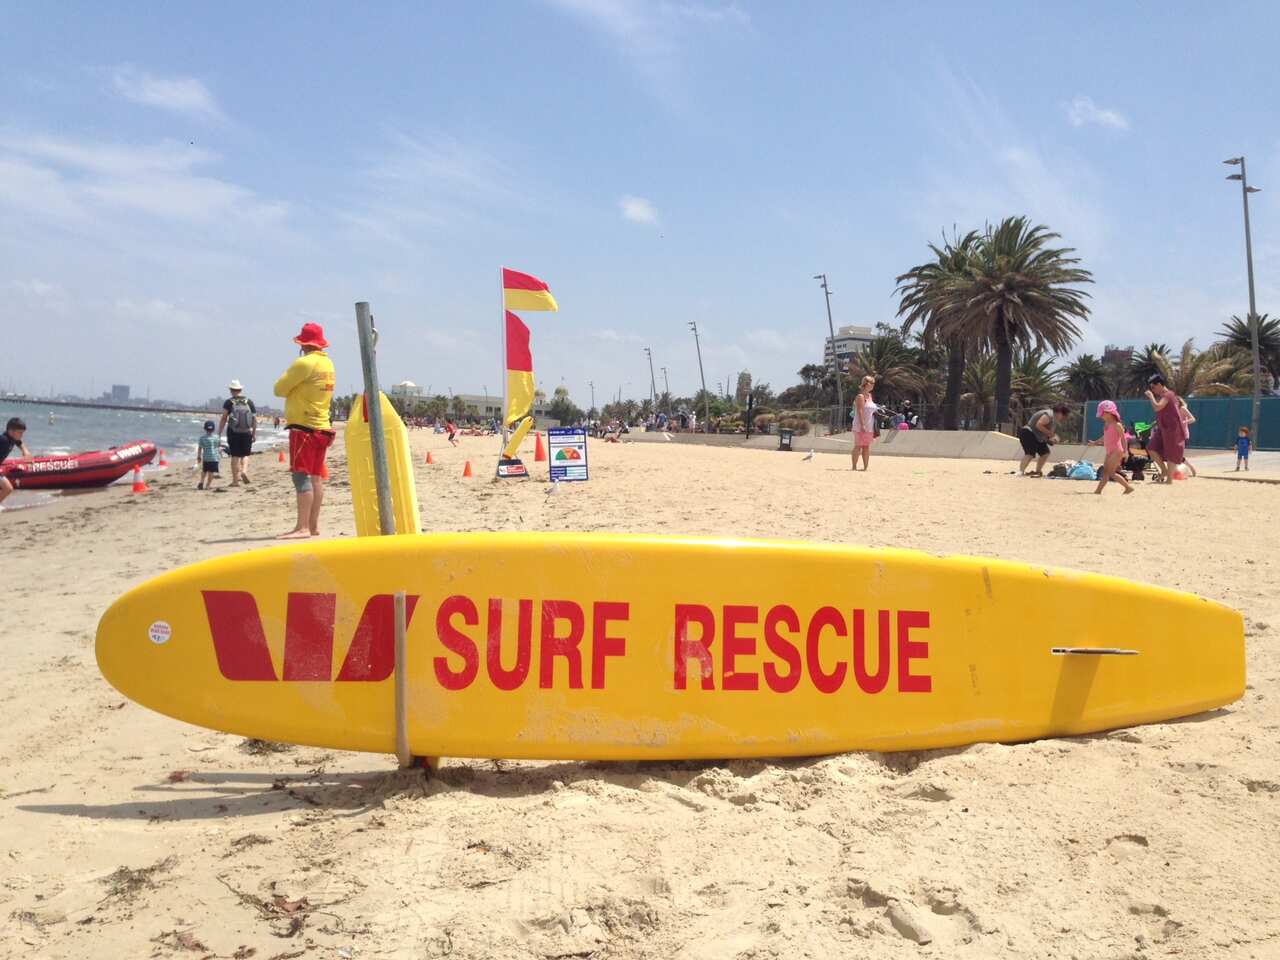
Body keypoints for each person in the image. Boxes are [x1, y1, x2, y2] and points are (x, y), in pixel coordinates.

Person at [273, 322, 336, 538]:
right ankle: (313, 525)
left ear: (304, 344)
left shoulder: (304, 363)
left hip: (304, 427)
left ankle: (302, 527)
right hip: (322, 427)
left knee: (301, 476)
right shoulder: (328, 364)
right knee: (316, 477)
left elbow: (279, 389)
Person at [1086, 401, 1134, 495]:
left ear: (1109, 412)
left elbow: (1123, 439)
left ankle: (1098, 491)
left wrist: (1125, 452)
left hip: (1117, 451)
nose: (1101, 416)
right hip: (1109, 451)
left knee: (1108, 472)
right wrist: (1095, 442)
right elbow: (1105, 437)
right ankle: (1128, 488)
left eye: (1102, 414)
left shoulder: (1117, 425)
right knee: (1108, 472)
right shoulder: (1106, 424)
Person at [1143, 375, 1184, 483]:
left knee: (1171, 453)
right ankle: (1164, 471)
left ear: (1160, 384)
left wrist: (1151, 396)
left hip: (1172, 429)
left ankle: (1169, 480)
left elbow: (1157, 407)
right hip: (1162, 428)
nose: (1152, 390)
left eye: (1153, 387)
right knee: (1151, 448)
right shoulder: (1164, 396)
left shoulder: (1168, 394)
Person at [218, 378, 257, 486]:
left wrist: (219, 433)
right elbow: (254, 419)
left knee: (235, 456)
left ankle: (235, 481)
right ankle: (244, 471)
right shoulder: (249, 402)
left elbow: (224, 418)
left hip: (233, 432)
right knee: (245, 455)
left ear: (231, 390)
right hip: (246, 432)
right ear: (240, 389)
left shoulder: (229, 402)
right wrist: (253, 434)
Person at [1018, 404, 1071, 476]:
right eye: (1064, 416)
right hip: (1028, 433)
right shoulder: (1049, 415)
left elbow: (1044, 432)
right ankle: (1020, 471)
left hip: (1037, 436)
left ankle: (1038, 471)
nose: (1064, 418)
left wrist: (1050, 440)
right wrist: (1051, 435)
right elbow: (1039, 425)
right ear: (1059, 413)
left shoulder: (1053, 420)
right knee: (1030, 453)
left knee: (1045, 453)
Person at [0, 417, 32, 508]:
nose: (22, 435)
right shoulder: (3, 440)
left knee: (8, 489)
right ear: (11, 431)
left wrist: (25, 451)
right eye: (20, 433)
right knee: (7, 488)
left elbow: (19, 442)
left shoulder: (12, 438)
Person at [851, 376, 878, 471]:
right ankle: (854, 466)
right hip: (860, 425)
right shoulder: (860, 396)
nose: (873, 385)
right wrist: (862, 425)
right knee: (858, 445)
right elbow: (860, 411)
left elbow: (871, 409)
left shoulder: (870, 396)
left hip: (870, 425)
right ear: (866, 384)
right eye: (872, 383)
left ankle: (865, 467)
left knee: (866, 446)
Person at [1175, 397, 1198, 478]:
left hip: (1182, 434)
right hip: (1174, 434)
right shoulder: (1173, 410)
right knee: (1174, 454)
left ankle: (1190, 468)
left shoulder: (1182, 409)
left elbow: (1193, 419)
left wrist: (1184, 422)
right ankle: (1178, 471)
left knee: (1176, 454)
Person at [196, 420, 221, 490]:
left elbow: (200, 448)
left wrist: (199, 456)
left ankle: (201, 482)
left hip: (206, 458)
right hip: (214, 457)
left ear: (205, 428)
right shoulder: (217, 437)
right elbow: (218, 446)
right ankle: (208, 485)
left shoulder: (202, 438)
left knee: (204, 470)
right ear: (214, 429)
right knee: (211, 472)